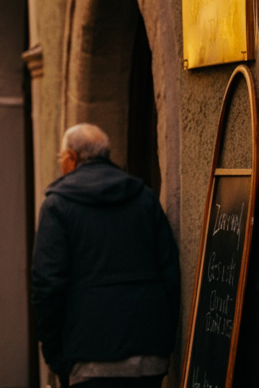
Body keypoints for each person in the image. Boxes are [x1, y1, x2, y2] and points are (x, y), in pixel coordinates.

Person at [32, 124, 180, 388]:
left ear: (70, 158)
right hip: (148, 350)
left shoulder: (57, 206)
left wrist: (54, 354)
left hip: (89, 352)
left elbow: (47, 286)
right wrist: (164, 338)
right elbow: (170, 273)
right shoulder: (144, 198)